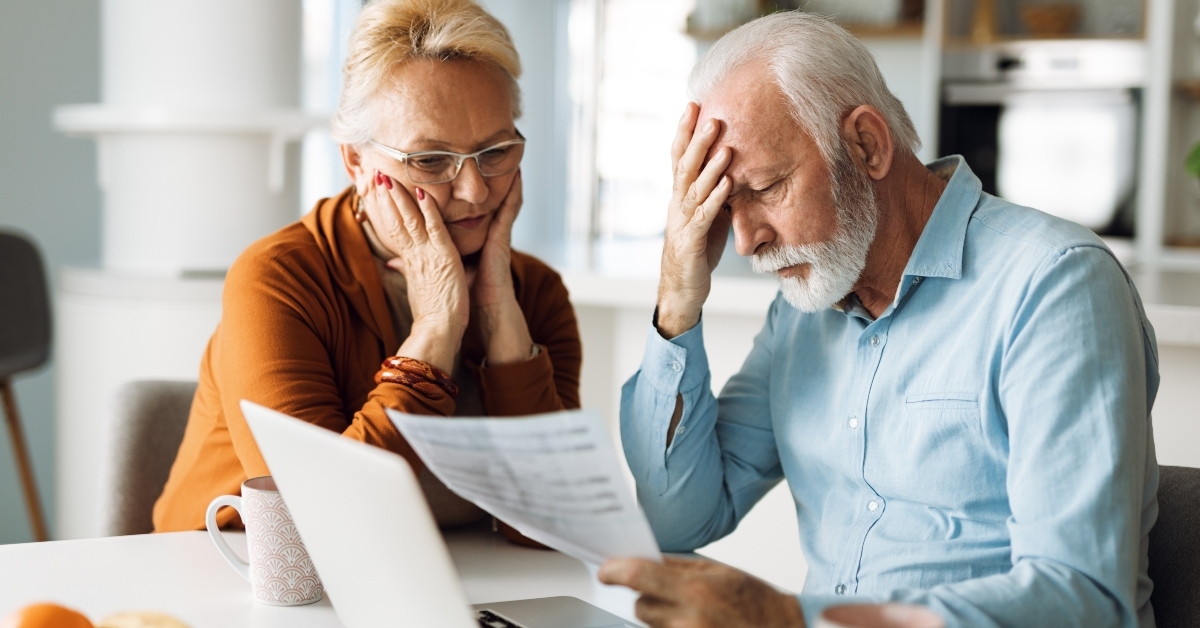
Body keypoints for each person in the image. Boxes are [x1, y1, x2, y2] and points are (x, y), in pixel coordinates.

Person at [598, 11, 1159, 628]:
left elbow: (1081, 599)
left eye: (764, 187)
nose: (744, 242)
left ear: (866, 144)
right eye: (724, 206)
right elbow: (678, 518)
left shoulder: (1053, 285)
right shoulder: (804, 311)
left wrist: (792, 619)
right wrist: (677, 297)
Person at [153, 0, 581, 537]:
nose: (474, 191)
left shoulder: (536, 292)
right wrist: (436, 329)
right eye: (430, 160)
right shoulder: (278, 279)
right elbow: (319, 518)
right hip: (241, 586)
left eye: (495, 151)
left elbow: (556, 525)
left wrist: (501, 322)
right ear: (356, 161)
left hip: (454, 588)